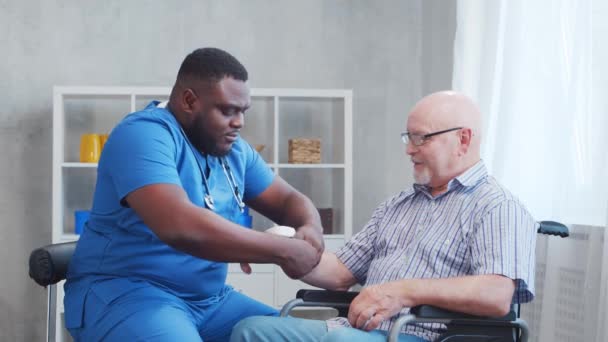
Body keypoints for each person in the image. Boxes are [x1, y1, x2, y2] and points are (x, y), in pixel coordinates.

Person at [230, 91, 537, 342]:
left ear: (464, 140)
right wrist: (277, 245)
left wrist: (404, 291)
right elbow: (338, 272)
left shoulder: (497, 206)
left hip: (427, 335)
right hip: (356, 331)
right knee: (251, 331)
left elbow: (496, 294)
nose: (409, 150)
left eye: (421, 138)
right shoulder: (398, 204)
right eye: (409, 138)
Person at [64, 47, 324, 342]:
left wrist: (311, 228)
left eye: (242, 111)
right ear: (189, 101)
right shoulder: (143, 135)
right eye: (227, 110)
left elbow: (289, 200)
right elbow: (179, 226)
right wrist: (282, 250)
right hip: (126, 293)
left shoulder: (233, 150)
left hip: (209, 302)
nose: (239, 122)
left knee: (292, 336)